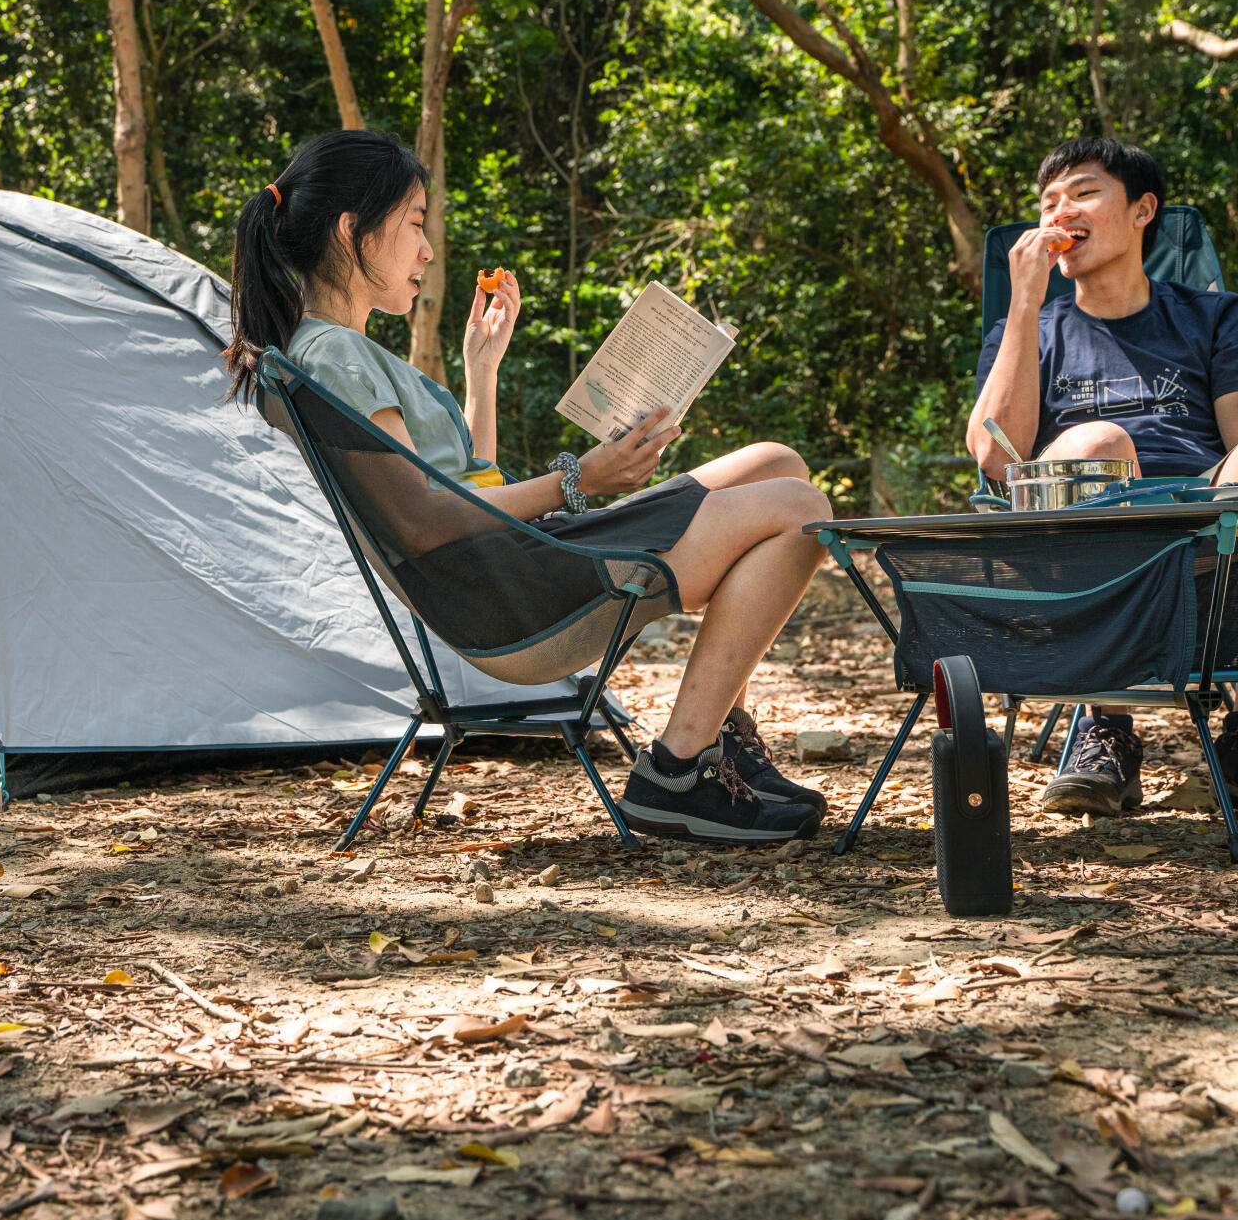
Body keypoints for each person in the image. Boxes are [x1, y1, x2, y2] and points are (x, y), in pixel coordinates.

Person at [225, 128, 834, 846]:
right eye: (416, 225)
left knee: (773, 461)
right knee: (799, 509)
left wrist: (480, 370)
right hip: (516, 593)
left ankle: (719, 747)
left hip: (505, 570)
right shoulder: (337, 357)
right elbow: (424, 522)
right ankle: (678, 769)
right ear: (353, 229)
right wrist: (579, 478)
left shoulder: (329, 353)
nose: (426, 250)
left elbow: (460, 493)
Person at [967, 135, 1238, 817]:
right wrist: (1024, 306)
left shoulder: (1214, 317)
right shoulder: (1031, 326)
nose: (1060, 212)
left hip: (1211, 521)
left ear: (1143, 210)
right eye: (1048, 202)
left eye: (1084, 193)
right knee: (1099, 438)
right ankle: (1107, 728)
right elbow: (997, 460)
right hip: (1090, 535)